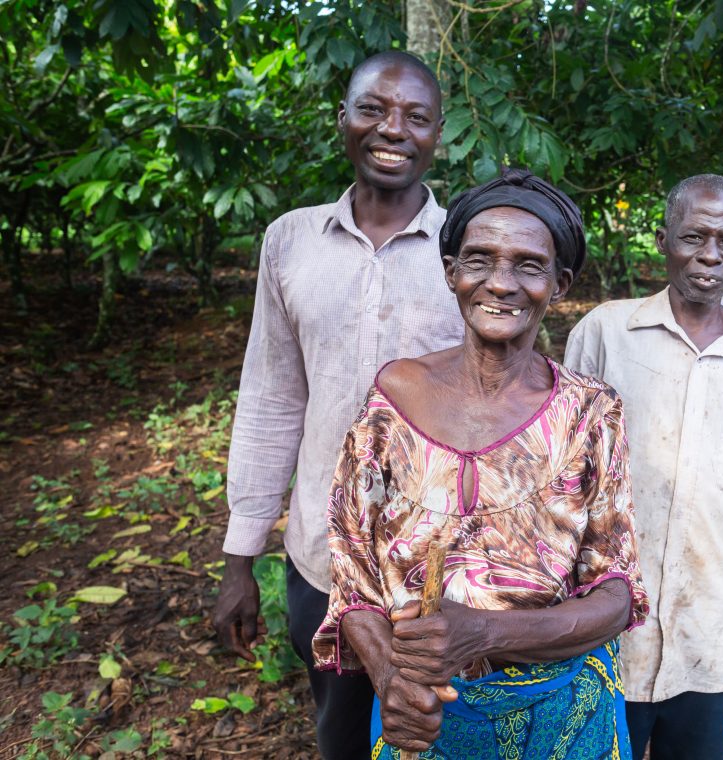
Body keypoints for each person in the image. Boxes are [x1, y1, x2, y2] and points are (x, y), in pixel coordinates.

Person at [311, 169, 649, 758]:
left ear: (559, 283)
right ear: (451, 273)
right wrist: (392, 681)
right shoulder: (393, 397)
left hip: (562, 714)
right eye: (479, 260)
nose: (501, 283)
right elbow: (353, 578)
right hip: (425, 715)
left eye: (528, 265)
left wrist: (485, 632)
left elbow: (615, 596)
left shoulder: (590, 412)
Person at [212, 51, 465, 759]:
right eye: (373, 109)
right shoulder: (290, 241)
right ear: (343, 120)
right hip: (320, 561)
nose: (393, 130)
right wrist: (241, 559)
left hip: (443, 565)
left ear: (438, 134)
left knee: (441, 732)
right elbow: (271, 396)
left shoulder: (469, 249)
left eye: (416, 117)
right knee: (343, 734)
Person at [564, 174, 723, 759]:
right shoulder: (606, 333)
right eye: (694, 236)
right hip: (606, 634)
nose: (710, 256)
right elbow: (560, 485)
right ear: (664, 240)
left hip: (707, 635)